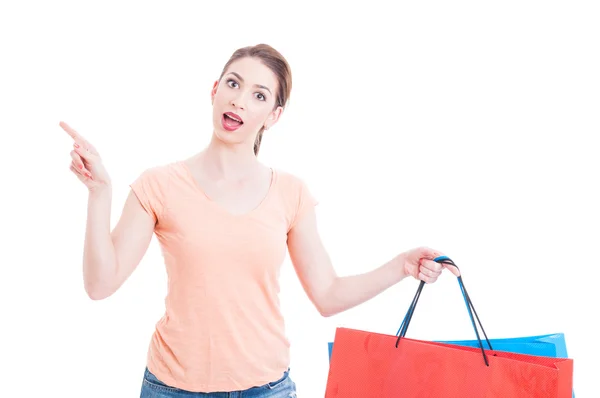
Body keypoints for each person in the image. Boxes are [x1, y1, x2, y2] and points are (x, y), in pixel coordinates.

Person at [61, 43, 460, 397]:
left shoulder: (291, 192)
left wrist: (401, 266)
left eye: (258, 95)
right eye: (233, 85)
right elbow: (100, 284)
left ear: (273, 115)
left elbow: (327, 294)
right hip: (173, 388)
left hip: (266, 389)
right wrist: (100, 194)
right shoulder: (159, 185)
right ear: (214, 91)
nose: (239, 101)